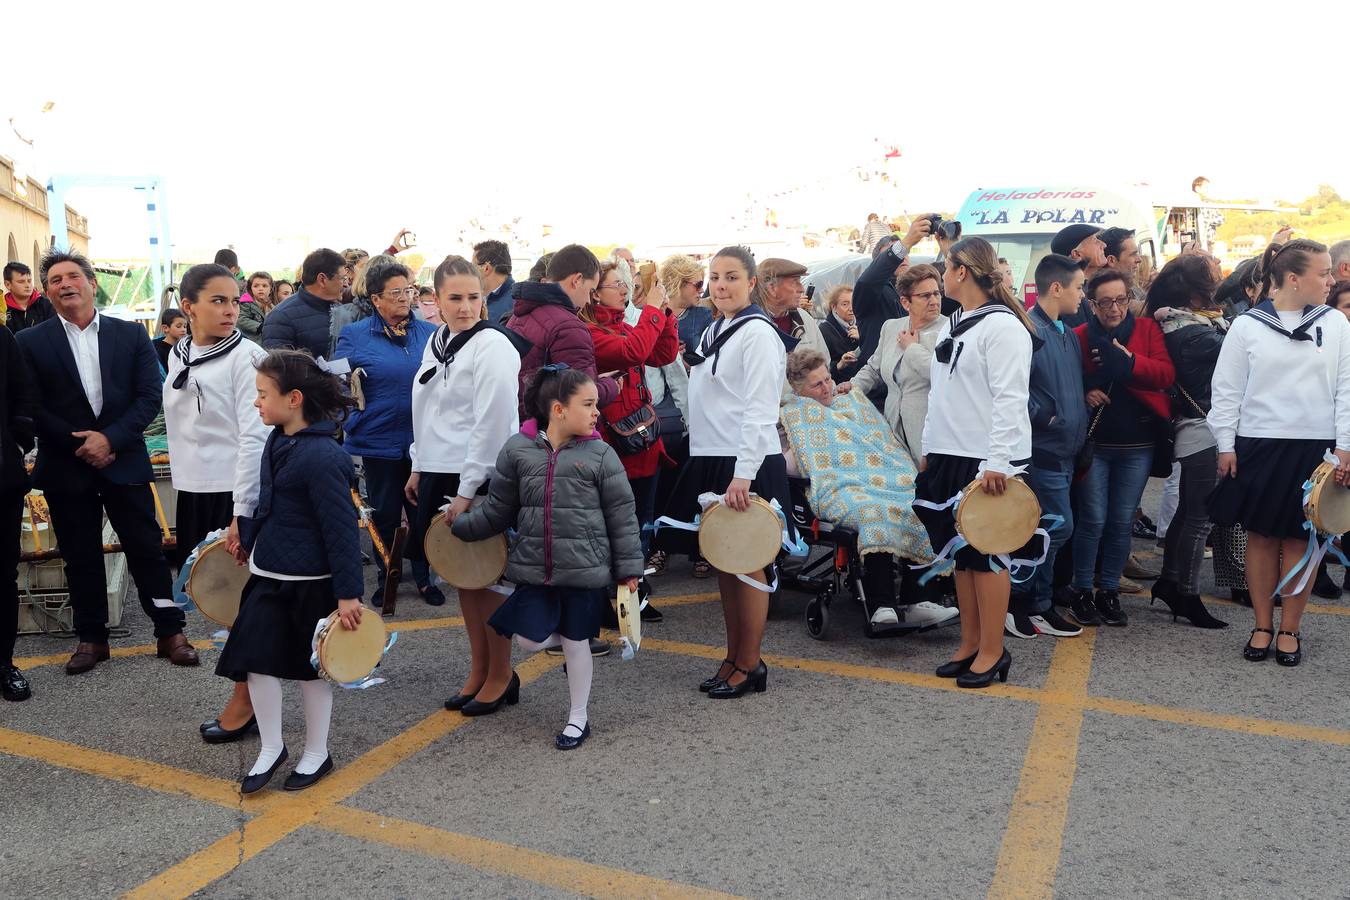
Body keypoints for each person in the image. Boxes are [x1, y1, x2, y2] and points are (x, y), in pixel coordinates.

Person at [17, 249, 198, 674]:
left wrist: (110, 439)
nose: (66, 285)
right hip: (66, 462)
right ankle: (91, 637)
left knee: (147, 550)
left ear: (91, 283)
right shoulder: (30, 341)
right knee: (79, 555)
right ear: (48, 292)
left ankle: (170, 630)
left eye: (73, 277)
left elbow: (149, 395)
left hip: (124, 457)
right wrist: (79, 443)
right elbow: (32, 405)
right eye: (56, 280)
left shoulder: (130, 335)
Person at [452, 366, 643, 749]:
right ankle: (568, 641)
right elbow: (499, 510)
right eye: (588, 404)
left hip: (584, 570)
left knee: (575, 644)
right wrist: (460, 526)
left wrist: (628, 571)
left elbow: (623, 517)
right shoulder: (518, 451)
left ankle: (578, 718)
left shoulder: (602, 454)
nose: (596, 412)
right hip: (535, 569)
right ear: (558, 409)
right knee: (527, 640)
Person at [214, 350, 361, 793]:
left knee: (313, 670)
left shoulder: (323, 458)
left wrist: (349, 594)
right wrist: (250, 536)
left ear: (294, 398)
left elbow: (341, 532)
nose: (256, 403)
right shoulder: (278, 438)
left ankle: (317, 752)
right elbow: (272, 501)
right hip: (269, 573)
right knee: (255, 660)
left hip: (312, 584)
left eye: (263, 395)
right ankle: (271, 747)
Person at [661, 245, 796, 698]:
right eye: (714, 277)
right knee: (724, 561)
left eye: (732, 277)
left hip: (745, 460)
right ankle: (733, 656)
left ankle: (751, 663)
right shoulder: (718, 327)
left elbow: (760, 408)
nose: (720, 285)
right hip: (712, 456)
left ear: (752, 283)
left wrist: (743, 474)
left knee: (750, 563)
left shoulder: (757, 333)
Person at [1208, 239, 1349, 668]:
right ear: (1293, 278)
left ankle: (1290, 627)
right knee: (1262, 537)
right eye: (1323, 273)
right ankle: (1262, 624)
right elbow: (1226, 392)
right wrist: (1226, 445)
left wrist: (1345, 447)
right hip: (1259, 443)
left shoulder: (1337, 324)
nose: (1331, 280)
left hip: (1316, 447)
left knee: (1302, 540)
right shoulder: (1247, 325)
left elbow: (1347, 387)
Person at [913, 237, 1036, 688]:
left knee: (989, 556)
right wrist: (929, 447)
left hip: (988, 459)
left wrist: (998, 461)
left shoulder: (1003, 327)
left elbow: (1010, 399)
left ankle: (992, 650)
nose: (942, 276)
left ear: (962, 271)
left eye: (945, 267)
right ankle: (969, 643)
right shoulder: (954, 323)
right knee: (961, 558)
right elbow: (942, 396)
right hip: (950, 452)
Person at [405, 255, 526, 713]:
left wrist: (467, 491)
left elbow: (492, 423)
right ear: (435, 300)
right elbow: (426, 411)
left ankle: (500, 673)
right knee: (463, 578)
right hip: (441, 469)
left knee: (488, 577)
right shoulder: (436, 340)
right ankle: (479, 669)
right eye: (454, 298)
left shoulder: (492, 344)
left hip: (478, 474)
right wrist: (419, 464)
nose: (465, 306)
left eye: (474, 297)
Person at [162, 264, 271, 741]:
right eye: (218, 301)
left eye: (234, 301)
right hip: (194, 492)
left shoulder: (248, 359)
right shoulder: (179, 354)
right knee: (221, 601)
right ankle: (250, 691)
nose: (230, 311)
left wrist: (241, 511)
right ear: (188, 307)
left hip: (234, 493)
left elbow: (256, 439)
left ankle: (246, 701)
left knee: (247, 601)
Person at [781, 348, 955, 630]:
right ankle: (881, 605)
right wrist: (804, 451)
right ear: (799, 391)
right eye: (817, 384)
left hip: (884, 478)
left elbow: (879, 442)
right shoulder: (792, 417)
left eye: (828, 379)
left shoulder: (850, 402)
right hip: (837, 487)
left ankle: (918, 600)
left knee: (920, 505)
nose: (827, 388)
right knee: (874, 512)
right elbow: (791, 464)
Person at [1067, 270, 1175, 628]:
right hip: (1097, 444)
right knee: (1093, 518)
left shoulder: (1146, 330)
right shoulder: (1079, 336)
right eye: (1106, 302)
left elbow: (1165, 375)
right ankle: (1082, 589)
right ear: (1091, 304)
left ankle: (1109, 590)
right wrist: (1084, 391)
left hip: (1138, 444)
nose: (1115, 309)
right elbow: (1066, 379)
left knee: (1120, 521)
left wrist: (1129, 361)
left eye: (1121, 300)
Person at [334, 259, 441, 608]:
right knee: (384, 512)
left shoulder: (428, 333)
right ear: (376, 298)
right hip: (378, 439)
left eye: (408, 291)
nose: (404, 298)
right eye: (395, 292)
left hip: (423, 442)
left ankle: (425, 577)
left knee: (424, 509)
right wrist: (349, 421)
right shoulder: (356, 334)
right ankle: (387, 574)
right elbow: (337, 385)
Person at [581, 259, 679, 621]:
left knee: (641, 524)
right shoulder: (588, 332)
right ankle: (612, 600)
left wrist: (664, 314)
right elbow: (634, 352)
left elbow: (662, 354)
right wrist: (652, 310)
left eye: (626, 283)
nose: (625, 289)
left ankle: (632, 596)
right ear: (594, 293)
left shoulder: (625, 325)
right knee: (613, 527)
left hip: (642, 443)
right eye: (616, 284)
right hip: (615, 447)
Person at [1005, 254, 1089, 641]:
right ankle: (1024, 604)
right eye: (1079, 287)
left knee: (1048, 527)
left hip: (1068, 450)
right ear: (1056, 288)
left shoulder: (1066, 333)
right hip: (1044, 449)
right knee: (1053, 528)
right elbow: (1014, 390)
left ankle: (1035, 603)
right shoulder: (1028, 331)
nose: (1082, 295)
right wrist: (1047, 418)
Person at [1147, 255, 1229, 628]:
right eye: (1211, 286)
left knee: (1187, 513)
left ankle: (1169, 581)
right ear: (1196, 297)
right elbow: (1242, 351)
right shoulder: (1196, 334)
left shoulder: (1174, 324)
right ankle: (1188, 595)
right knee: (1200, 518)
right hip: (1203, 427)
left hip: (1193, 425)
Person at [843, 264, 947, 464]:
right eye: (925, 296)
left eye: (937, 293)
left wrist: (912, 348)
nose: (934, 301)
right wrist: (852, 387)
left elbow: (940, 374)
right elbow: (874, 368)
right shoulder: (891, 327)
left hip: (930, 436)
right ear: (905, 302)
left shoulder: (949, 330)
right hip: (891, 431)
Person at [506, 244, 618, 417]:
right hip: (556, 434)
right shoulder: (569, 326)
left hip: (524, 427)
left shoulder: (519, 314)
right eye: (591, 290)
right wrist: (611, 386)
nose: (589, 300)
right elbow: (581, 398)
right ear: (577, 280)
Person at [852, 217, 934, 395]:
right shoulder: (871, 293)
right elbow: (869, 281)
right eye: (894, 254)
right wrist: (907, 241)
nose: (901, 257)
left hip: (916, 388)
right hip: (880, 391)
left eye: (905, 253)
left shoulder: (918, 292)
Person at [0, 324, 37, 700]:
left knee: (2, 575)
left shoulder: (1, 337)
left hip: (1, 481)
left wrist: (15, 442)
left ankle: (4, 663)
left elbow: (23, 395)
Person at [263, 248, 346, 358]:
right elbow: (277, 367)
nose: (346, 284)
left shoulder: (343, 309)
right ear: (322, 280)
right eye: (342, 278)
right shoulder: (281, 317)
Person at [759, 258, 828, 361]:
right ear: (772, 288)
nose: (802, 289)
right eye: (795, 282)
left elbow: (824, 361)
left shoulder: (805, 319)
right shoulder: (754, 324)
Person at [1052, 224, 1107, 327]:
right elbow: (1082, 337)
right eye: (1095, 241)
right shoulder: (1069, 295)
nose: (1104, 245)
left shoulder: (1099, 283)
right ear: (1077, 254)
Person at [659, 254, 712, 350]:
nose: (702, 290)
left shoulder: (704, 315)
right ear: (678, 283)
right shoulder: (651, 314)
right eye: (698, 284)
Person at [818, 286, 861, 379]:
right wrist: (840, 364)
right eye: (845, 304)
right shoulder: (823, 330)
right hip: (840, 385)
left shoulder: (861, 324)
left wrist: (862, 338)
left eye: (853, 303)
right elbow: (821, 366)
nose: (851, 308)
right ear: (834, 307)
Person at [4, 261, 55, 334]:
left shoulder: (46, 305)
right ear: (8, 284)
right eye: (21, 282)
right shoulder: (3, 309)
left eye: (29, 281)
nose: (27, 285)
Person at [474, 240, 515, 324]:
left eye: (473, 266)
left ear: (486, 268)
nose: (470, 272)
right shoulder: (480, 297)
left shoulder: (515, 303)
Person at [237, 271, 275, 344]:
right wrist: (259, 326)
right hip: (251, 340)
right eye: (256, 286)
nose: (260, 289)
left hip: (266, 340)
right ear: (250, 288)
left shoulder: (270, 304)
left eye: (264, 286)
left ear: (270, 289)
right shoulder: (246, 302)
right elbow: (241, 319)